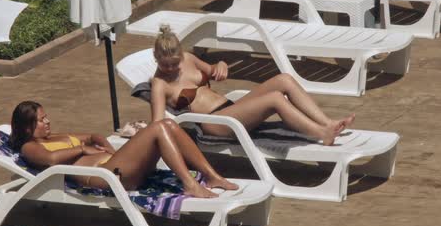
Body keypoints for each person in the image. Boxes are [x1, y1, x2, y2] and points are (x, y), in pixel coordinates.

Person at [150, 25, 356, 146]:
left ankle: (327, 123)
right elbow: (158, 123)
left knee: (284, 79)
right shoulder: (159, 85)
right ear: (156, 58)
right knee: (275, 99)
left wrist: (221, 65)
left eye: (174, 63)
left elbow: (212, 70)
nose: (170, 68)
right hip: (213, 123)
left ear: (180, 54)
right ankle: (322, 135)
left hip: (229, 107)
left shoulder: (188, 58)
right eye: (164, 64)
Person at [9, 101, 238, 197]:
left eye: (46, 117)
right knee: (159, 128)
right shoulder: (29, 147)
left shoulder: (55, 136)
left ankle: (212, 176)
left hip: (115, 165)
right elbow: (51, 159)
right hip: (105, 178)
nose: (47, 122)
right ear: (27, 128)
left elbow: (92, 135)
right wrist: (82, 149)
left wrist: (105, 148)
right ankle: (190, 185)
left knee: (167, 124)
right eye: (41, 120)